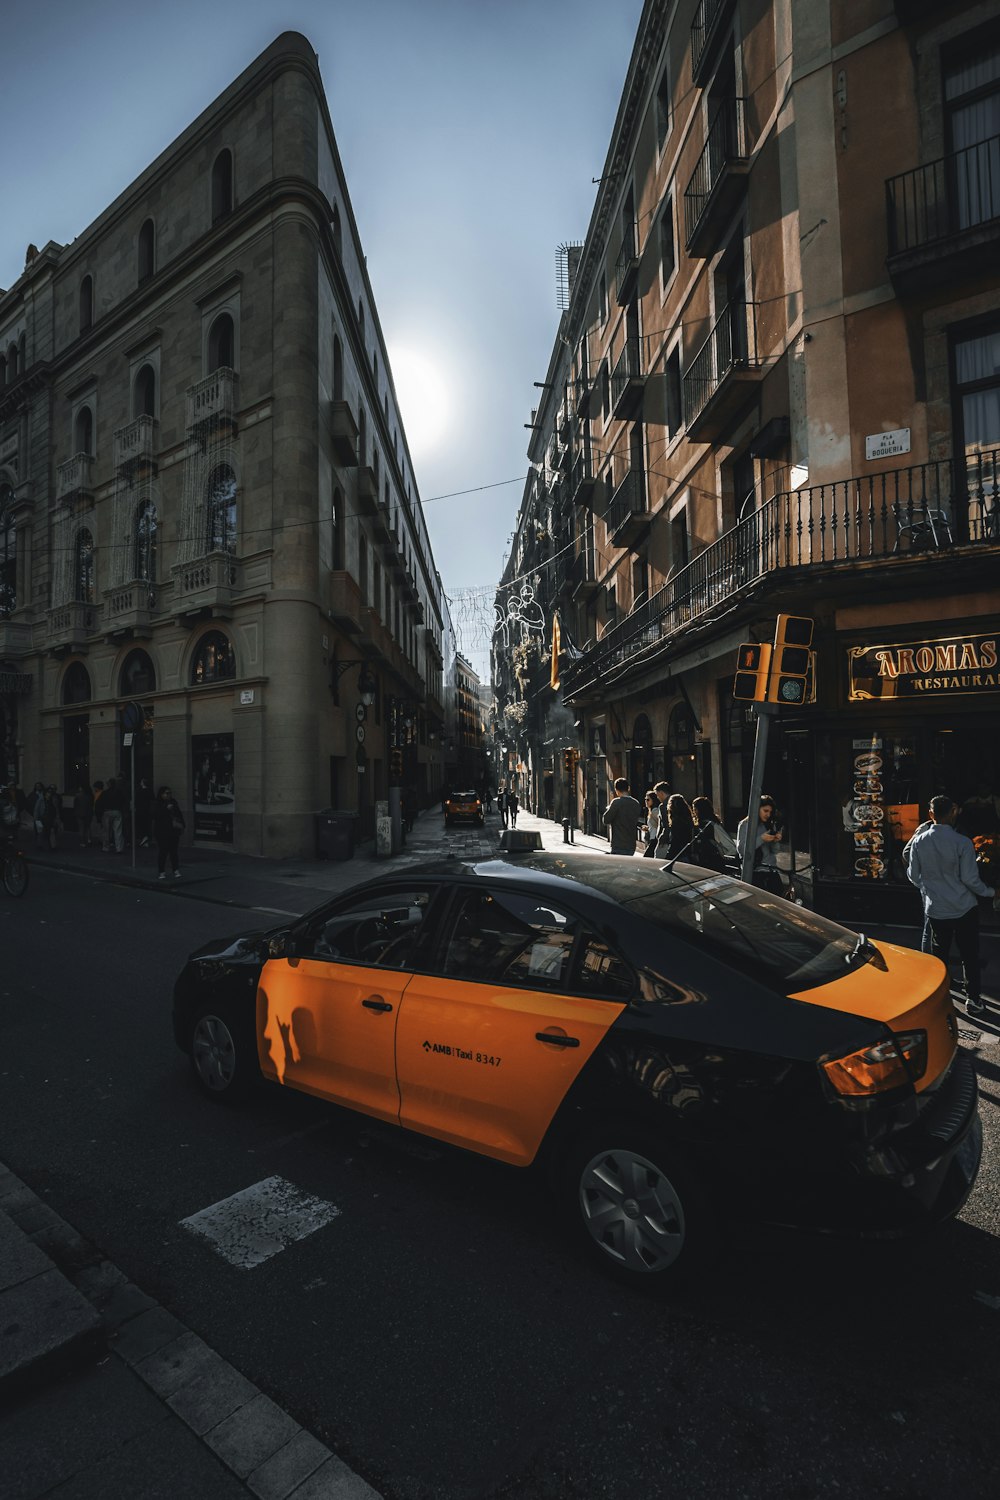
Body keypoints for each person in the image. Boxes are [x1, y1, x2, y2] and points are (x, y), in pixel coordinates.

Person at [906, 794, 997, 1017]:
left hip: (937, 908)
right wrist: (991, 892)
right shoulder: (962, 843)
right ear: (953, 813)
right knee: (969, 955)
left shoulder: (919, 841)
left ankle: (940, 998)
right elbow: (970, 879)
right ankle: (973, 1000)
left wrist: (929, 890)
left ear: (931, 814)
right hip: (964, 907)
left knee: (939, 956)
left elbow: (913, 875)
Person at [737, 796, 784, 895]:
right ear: (756, 809)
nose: (768, 815)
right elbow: (742, 850)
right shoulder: (745, 825)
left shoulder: (769, 824)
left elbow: (775, 851)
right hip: (755, 871)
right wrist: (761, 839)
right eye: (765, 811)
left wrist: (776, 840)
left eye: (770, 812)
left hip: (771, 869)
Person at [153, 785, 185, 880]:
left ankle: (176, 870)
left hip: (173, 831)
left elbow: (179, 814)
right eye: (167, 793)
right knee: (163, 852)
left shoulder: (173, 802)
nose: (169, 795)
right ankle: (161, 871)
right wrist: (165, 809)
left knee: (174, 852)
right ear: (162, 794)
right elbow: (155, 815)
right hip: (162, 832)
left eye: (170, 793)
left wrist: (182, 824)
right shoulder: (157, 803)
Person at [603, 777, 642, 856]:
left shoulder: (616, 802)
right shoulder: (636, 803)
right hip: (631, 844)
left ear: (616, 790)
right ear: (628, 788)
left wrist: (609, 809)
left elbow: (605, 820)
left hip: (618, 843)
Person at [690, 795, 728, 872]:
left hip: (706, 861)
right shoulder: (715, 822)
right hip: (717, 859)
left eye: (695, 809)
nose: (694, 812)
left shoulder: (703, 825)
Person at [656, 794, 695, 860]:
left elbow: (675, 842)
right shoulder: (688, 820)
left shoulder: (675, 822)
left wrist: (669, 856)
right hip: (687, 853)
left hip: (678, 854)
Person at [73, 782, 95, 847]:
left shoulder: (77, 796)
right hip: (88, 813)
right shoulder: (90, 795)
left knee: (81, 828)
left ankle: (82, 842)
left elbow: (75, 805)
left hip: (79, 813)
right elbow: (92, 804)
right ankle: (89, 839)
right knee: (88, 827)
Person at [642, 790, 661, 859]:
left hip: (655, 839)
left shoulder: (655, 811)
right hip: (652, 838)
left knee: (647, 858)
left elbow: (660, 823)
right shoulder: (651, 811)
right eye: (645, 799)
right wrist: (648, 828)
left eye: (648, 800)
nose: (646, 801)